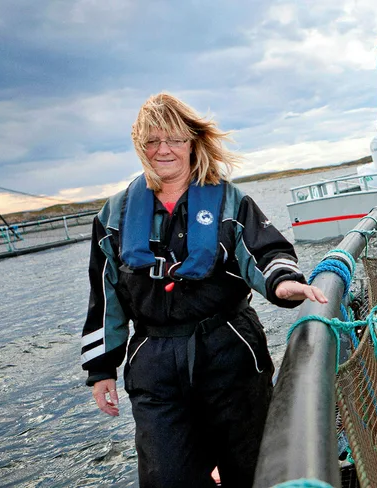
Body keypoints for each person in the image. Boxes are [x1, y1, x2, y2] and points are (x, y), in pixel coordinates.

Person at [80, 92, 327, 487]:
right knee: (166, 475)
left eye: (175, 139)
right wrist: (100, 369)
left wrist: (285, 284)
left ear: (193, 143)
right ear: (140, 147)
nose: (164, 150)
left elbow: (267, 252)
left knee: (250, 468)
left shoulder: (230, 200)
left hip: (230, 350)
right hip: (154, 361)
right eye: (152, 141)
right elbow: (104, 293)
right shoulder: (113, 214)